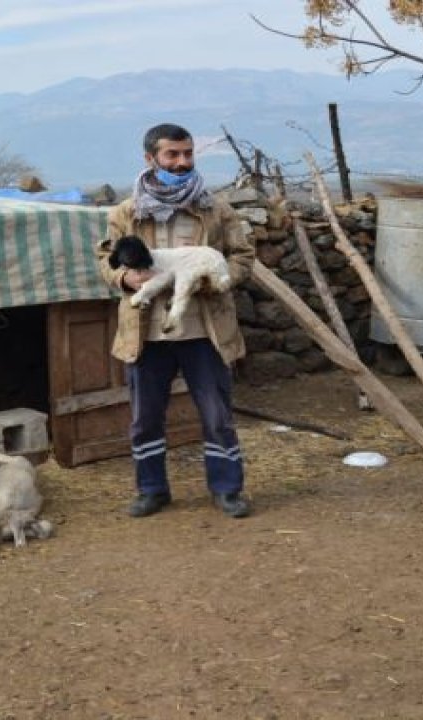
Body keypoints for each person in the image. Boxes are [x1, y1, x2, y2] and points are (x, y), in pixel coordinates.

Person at [96, 123, 255, 519]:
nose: (182, 162)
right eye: (172, 155)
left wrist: (215, 282)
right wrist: (124, 277)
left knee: (217, 415)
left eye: (187, 154)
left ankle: (226, 489)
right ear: (150, 159)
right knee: (145, 418)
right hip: (146, 333)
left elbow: (242, 258)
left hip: (205, 330)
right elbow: (105, 258)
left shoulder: (214, 209)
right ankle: (151, 490)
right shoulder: (126, 213)